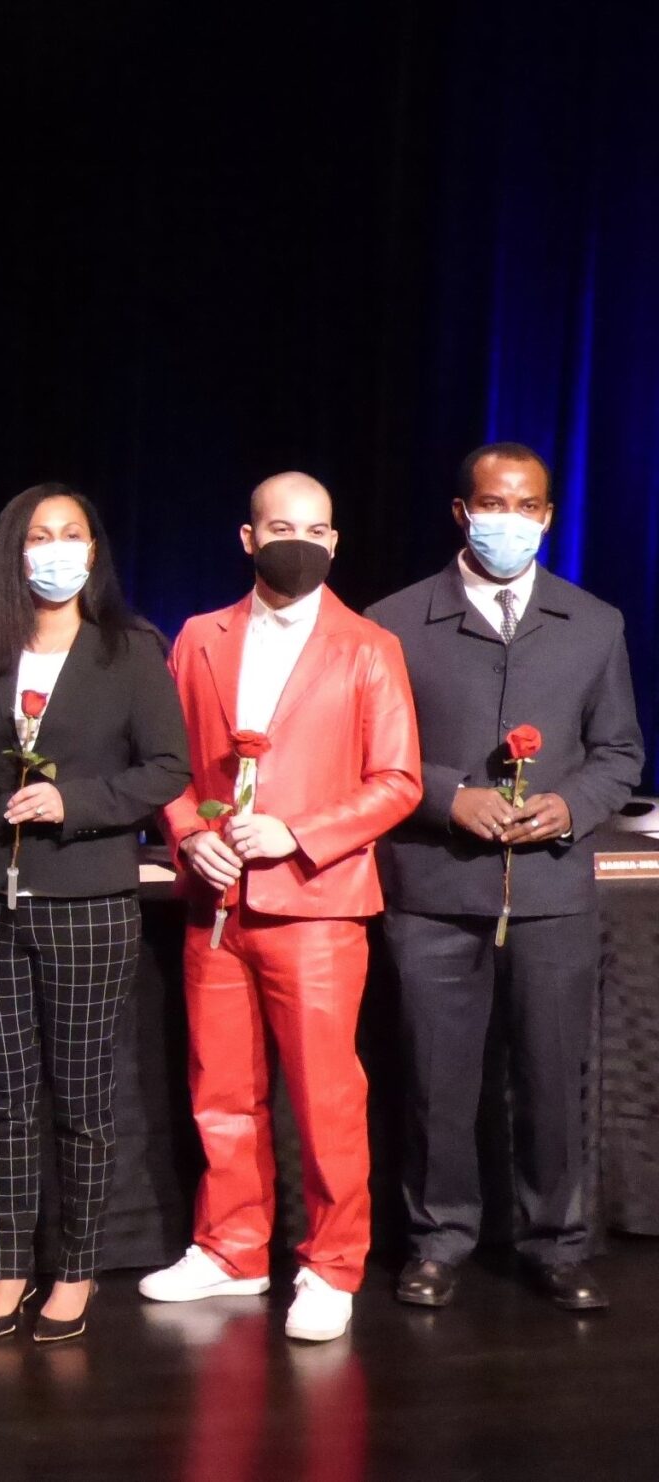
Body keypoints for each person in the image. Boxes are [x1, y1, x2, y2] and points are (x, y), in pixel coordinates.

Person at [141, 472, 421, 1343]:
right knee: (220, 1087)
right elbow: (168, 762)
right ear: (248, 536)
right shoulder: (198, 636)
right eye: (279, 525)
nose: (298, 538)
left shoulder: (368, 646)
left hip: (317, 905)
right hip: (216, 899)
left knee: (326, 1093)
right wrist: (190, 832)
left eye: (315, 527)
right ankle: (231, 1249)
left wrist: (297, 833)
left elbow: (398, 782)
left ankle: (332, 1266)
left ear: (335, 543)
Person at [367, 442, 642, 1311]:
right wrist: (451, 797)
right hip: (436, 891)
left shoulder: (594, 622)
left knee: (555, 1077)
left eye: (527, 508)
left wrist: (567, 806)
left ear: (549, 517)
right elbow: (376, 750)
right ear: (462, 513)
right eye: (493, 505)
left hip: (553, 892)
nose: (509, 522)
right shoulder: (395, 621)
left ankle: (556, 1243)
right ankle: (438, 1240)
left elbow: (621, 753)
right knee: (436, 1080)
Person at [0, 483, 189, 1343]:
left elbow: (169, 769)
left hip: (88, 903)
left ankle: (74, 1269)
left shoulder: (131, 652)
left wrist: (75, 801)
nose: (57, 550)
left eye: (73, 534)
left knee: (81, 1098)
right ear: (13, 551)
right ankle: (8, 1267)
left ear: (95, 554)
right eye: (40, 535)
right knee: (3, 1101)